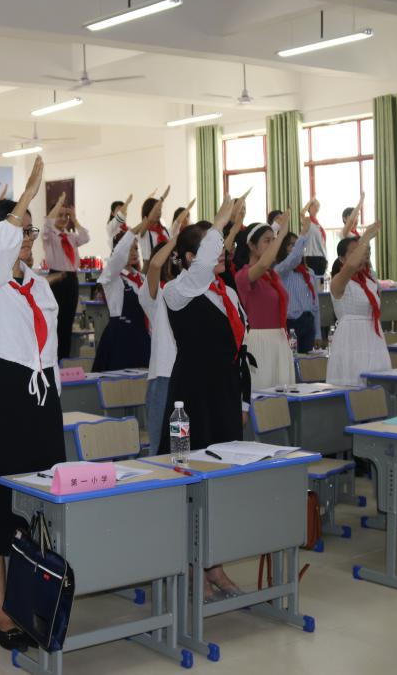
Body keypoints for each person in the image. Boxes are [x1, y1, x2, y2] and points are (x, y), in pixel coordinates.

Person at [0, 156, 64, 653]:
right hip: (5, 398)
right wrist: (22, 199)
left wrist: (54, 397)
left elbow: (50, 349)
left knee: (39, 504)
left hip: (42, 400)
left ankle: (32, 595)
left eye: (30, 230)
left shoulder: (38, 285)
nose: (26, 238)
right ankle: (1, 611)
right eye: (19, 229)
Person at [159, 196, 246, 597]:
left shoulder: (225, 292)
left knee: (221, 483)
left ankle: (215, 564)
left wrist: (242, 401)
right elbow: (203, 264)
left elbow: (240, 351)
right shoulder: (177, 290)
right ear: (191, 258)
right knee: (188, 478)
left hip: (223, 395)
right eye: (214, 247)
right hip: (190, 400)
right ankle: (188, 564)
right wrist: (221, 221)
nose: (223, 253)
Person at [92, 198, 163, 372]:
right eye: (129, 249)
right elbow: (118, 255)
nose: (134, 253)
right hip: (120, 340)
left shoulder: (140, 278)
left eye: (136, 249)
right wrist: (140, 227)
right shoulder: (112, 278)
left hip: (142, 338)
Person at [142, 213, 189, 461]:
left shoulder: (185, 288)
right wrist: (174, 240)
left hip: (185, 373)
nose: (173, 260)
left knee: (182, 446)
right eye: (171, 256)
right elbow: (154, 266)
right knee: (160, 445)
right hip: (163, 375)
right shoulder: (153, 293)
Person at [325, 225, 391, 386]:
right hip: (351, 340)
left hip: (373, 338)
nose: (361, 256)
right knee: (353, 383)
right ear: (342, 259)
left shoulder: (371, 281)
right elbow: (351, 266)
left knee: (376, 384)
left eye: (363, 252)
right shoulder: (339, 281)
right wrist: (365, 238)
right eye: (355, 252)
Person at [233, 220, 295, 389]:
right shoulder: (243, 275)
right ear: (252, 246)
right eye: (267, 241)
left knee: (283, 394)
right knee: (263, 393)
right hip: (260, 342)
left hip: (279, 339)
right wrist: (281, 235)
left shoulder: (273, 277)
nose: (273, 245)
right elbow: (263, 264)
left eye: (273, 240)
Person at [40, 193, 91, 363]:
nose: (63, 219)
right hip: (56, 278)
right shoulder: (50, 236)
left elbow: (85, 237)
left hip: (71, 279)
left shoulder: (70, 236)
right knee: (55, 322)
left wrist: (75, 219)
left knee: (67, 322)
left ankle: (64, 360)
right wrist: (59, 202)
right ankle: (52, 360)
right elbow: (47, 223)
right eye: (59, 215)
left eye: (65, 216)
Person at [278, 226, 321, 354]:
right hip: (291, 324)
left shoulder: (309, 272)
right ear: (283, 248)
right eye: (291, 245)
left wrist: (318, 333)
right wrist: (302, 237)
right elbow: (291, 261)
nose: (296, 248)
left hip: (308, 322)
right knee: (291, 359)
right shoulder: (282, 271)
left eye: (297, 244)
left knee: (307, 360)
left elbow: (315, 305)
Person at [137, 190, 172, 264]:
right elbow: (149, 219)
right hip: (150, 268)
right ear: (148, 211)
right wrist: (162, 199)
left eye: (160, 210)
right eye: (156, 210)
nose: (158, 212)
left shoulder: (165, 230)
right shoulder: (143, 231)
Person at [302, 197, 328, 276]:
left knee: (321, 280)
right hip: (312, 256)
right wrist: (311, 200)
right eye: (314, 206)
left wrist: (326, 258)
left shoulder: (318, 224)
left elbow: (322, 242)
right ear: (309, 208)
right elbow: (302, 213)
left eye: (318, 206)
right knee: (314, 280)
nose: (316, 208)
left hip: (321, 256)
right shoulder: (307, 221)